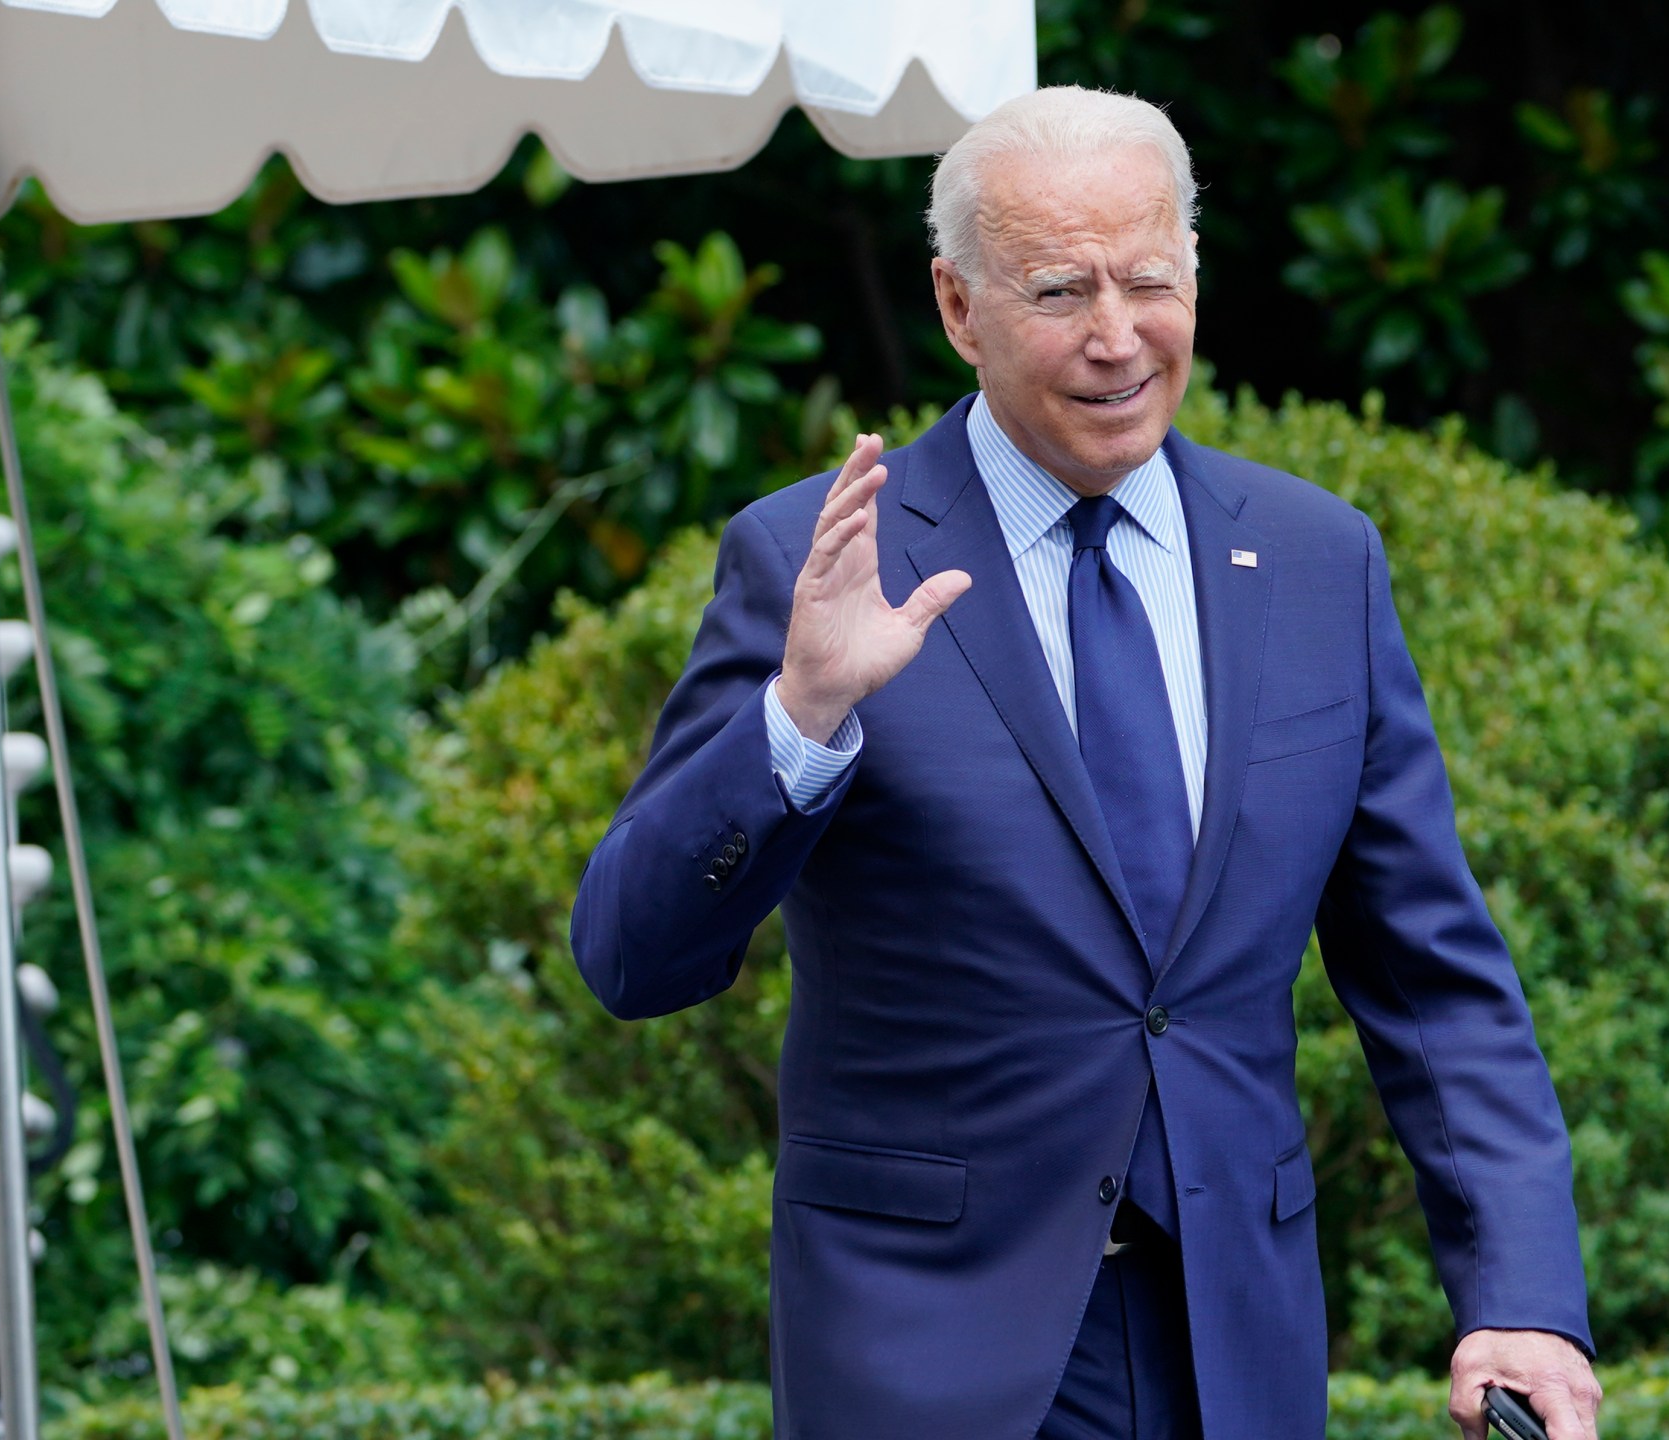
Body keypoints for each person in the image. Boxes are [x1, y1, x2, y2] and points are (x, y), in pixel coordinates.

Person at [569, 85, 1604, 1440]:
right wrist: (799, 717)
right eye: (1061, 292)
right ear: (958, 306)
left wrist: (1519, 1291)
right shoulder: (819, 561)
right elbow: (634, 957)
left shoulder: (1314, 561)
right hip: (931, 1354)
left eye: (1151, 283)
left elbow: (1433, 975)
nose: (1119, 339)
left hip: (1231, 1346)